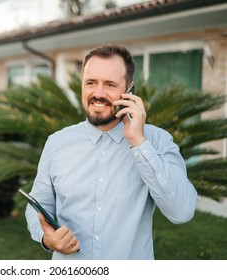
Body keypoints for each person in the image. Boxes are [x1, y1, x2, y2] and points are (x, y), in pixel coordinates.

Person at [24, 44, 198, 260]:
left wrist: (139, 143)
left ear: (129, 90)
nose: (98, 93)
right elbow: (38, 204)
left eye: (110, 84)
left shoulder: (158, 141)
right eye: (91, 83)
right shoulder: (57, 142)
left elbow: (182, 212)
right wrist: (46, 238)